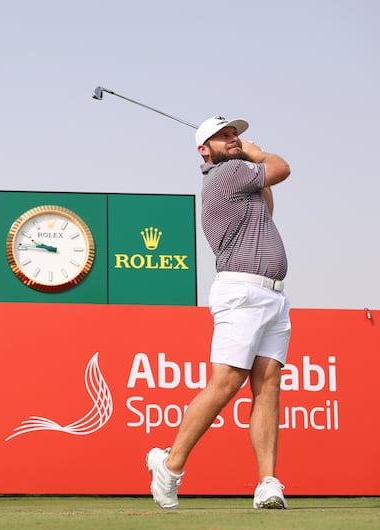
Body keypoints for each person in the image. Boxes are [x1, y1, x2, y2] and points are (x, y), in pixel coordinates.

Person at [146, 116, 292, 510]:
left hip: (273, 296)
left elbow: (268, 199)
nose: (233, 140)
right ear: (203, 150)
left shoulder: (243, 182)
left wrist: (254, 162)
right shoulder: (224, 175)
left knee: (268, 385)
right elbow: (281, 169)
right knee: (227, 381)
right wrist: (256, 152)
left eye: (235, 135)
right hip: (241, 291)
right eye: (223, 136)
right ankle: (170, 466)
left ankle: (267, 483)